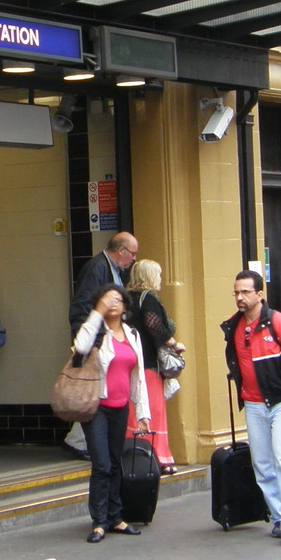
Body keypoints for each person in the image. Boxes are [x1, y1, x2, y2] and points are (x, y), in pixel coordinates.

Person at [221, 269, 281, 545]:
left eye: (245, 292)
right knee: (261, 463)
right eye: (236, 292)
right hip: (253, 404)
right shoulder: (233, 327)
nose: (240, 297)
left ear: (260, 294)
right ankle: (280, 517)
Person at [72, 283, 152, 543]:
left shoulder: (132, 335)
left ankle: (116, 517)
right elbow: (81, 348)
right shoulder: (96, 332)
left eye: (117, 299)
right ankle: (99, 522)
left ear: (126, 305)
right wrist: (96, 313)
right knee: (102, 464)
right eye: (107, 300)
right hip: (96, 407)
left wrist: (143, 412)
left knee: (116, 462)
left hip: (120, 407)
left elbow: (138, 376)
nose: (112, 303)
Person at [65, 231, 138, 458]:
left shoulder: (112, 270)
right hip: (97, 341)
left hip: (106, 340)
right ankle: (77, 440)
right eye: (133, 254)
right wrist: (86, 340)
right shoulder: (98, 268)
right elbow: (82, 305)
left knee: (98, 389)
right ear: (121, 251)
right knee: (93, 388)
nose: (134, 259)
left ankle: (80, 439)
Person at [124, 258, 184, 474]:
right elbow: (154, 325)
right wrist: (174, 344)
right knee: (153, 410)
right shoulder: (148, 298)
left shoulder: (126, 298)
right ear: (149, 276)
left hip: (130, 362)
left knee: (135, 410)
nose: (160, 278)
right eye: (157, 274)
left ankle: (135, 456)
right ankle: (158, 457)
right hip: (148, 363)